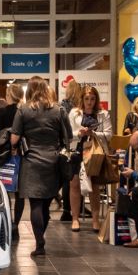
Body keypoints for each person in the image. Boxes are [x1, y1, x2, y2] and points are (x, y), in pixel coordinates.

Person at [11, 76, 73, 257]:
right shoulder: (58, 110)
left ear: (29, 90)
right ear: (46, 89)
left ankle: (40, 244)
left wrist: (15, 143)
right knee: (45, 203)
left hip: (31, 161)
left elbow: (14, 138)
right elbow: (68, 137)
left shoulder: (23, 110)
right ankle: (41, 237)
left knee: (36, 204)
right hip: (53, 160)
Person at [69, 86, 113, 232]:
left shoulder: (103, 114)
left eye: (92, 99)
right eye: (86, 99)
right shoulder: (74, 113)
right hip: (77, 151)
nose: (89, 102)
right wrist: (79, 133)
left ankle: (95, 220)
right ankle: (75, 219)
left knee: (94, 186)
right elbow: (69, 134)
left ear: (96, 99)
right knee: (74, 184)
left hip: (94, 152)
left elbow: (109, 134)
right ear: (82, 99)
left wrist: (94, 134)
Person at [0, 82, 26, 240]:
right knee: (20, 193)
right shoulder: (25, 111)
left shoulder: (3, 112)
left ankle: (7, 222)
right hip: (22, 156)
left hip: (5, 157)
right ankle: (16, 224)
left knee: (4, 191)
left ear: (9, 95)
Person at [57, 80, 83, 222]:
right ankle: (71, 210)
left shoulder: (62, 105)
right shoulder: (76, 108)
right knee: (72, 178)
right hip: (73, 145)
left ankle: (68, 210)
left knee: (69, 179)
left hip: (64, 145)